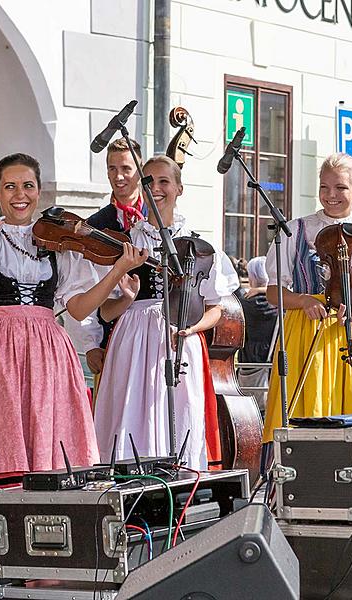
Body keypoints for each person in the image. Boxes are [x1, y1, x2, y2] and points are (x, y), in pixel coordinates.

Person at [0, 153, 147, 496]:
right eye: (10, 186)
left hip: (48, 353)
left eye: (28, 186)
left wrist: (117, 271)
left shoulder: (59, 242)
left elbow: (78, 308)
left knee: (47, 441)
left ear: (39, 191)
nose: (20, 194)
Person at [92, 155, 239, 468]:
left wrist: (191, 328)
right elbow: (105, 312)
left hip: (181, 339)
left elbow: (217, 308)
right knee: (131, 409)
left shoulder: (200, 246)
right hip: (133, 336)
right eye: (149, 182)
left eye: (164, 181)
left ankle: (182, 477)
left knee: (180, 410)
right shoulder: (127, 242)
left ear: (179, 188)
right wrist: (127, 297)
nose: (156, 188)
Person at [261, 153, 352, 443]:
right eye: (324, 187)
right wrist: (304, 300)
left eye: (341, 188)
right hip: (305, 333)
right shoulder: (295, 230)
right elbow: (273, 292)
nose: (331, 195)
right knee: (303, 415)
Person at [79, 138, 147, 383]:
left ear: (140, 170)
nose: (119, 176)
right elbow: (84, 286)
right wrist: (91, 343)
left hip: (153, 339)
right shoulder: (96, 225)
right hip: (111, 336)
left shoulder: (158, 217)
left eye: (126, 169)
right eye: (112, 169)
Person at [235, 256, 277, 413]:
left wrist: (259, 289)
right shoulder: (280, 303)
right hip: (272, 363)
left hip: (248, 363)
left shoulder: (242, 303)